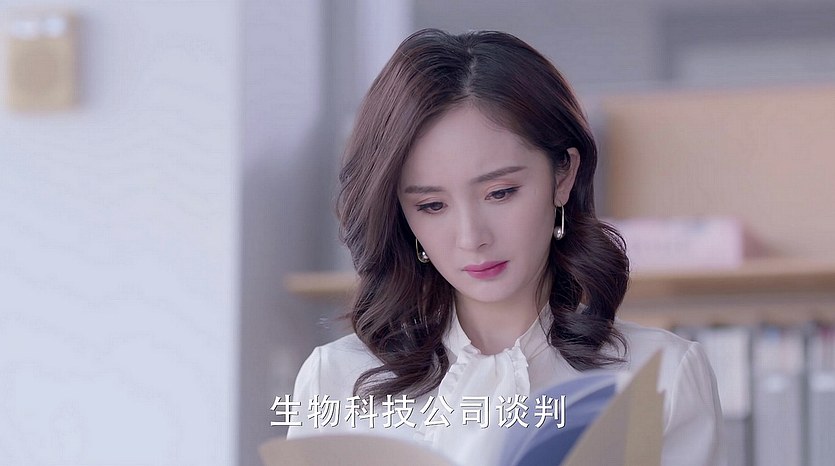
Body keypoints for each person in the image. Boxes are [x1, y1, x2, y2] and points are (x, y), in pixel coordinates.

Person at [287, 28, 725, 465]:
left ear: (563, 175)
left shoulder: (662, 375)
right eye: (432, 205)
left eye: (500, 193)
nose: (471, 237)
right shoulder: (339, 379)